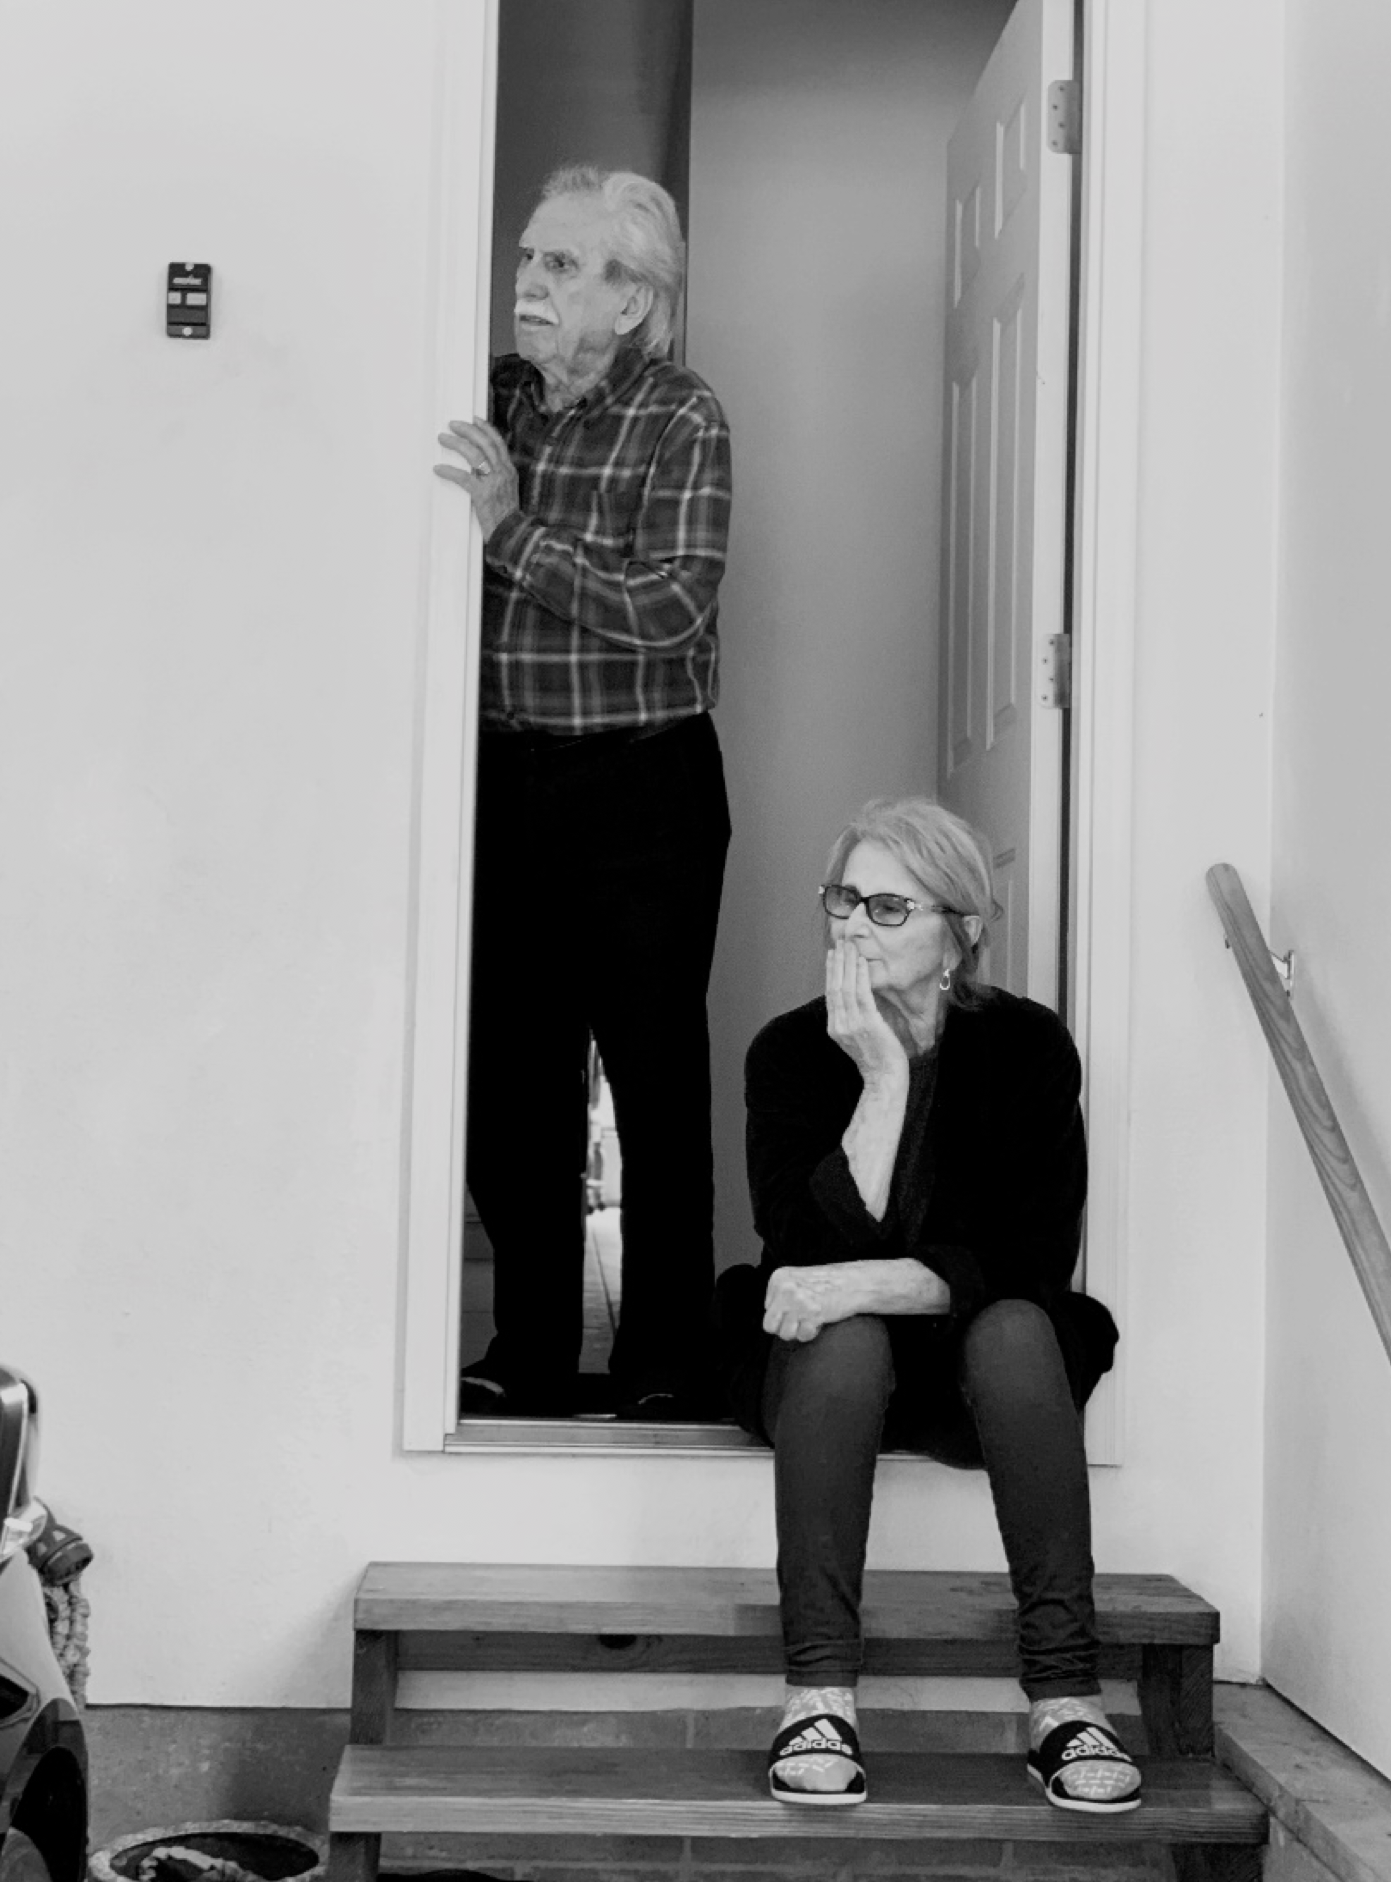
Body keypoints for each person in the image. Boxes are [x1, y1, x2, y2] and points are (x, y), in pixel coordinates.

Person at [716, 797, 1141, 1814]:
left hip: (977, 1378)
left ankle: (1063, 1700)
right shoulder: (787, 1052)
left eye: (886, 906)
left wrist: (866, 1280)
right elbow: (799, 1256)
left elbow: (1030, 1257)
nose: (851, 924)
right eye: (843, 898)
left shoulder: (1028, 1049)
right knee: (841, 1333)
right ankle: (816, 1696)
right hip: (833, 1380)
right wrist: (879, 1080)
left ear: (961, 931)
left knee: (1014, 1326)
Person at [434, 165, 732, 1422]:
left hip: (643, 783)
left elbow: (670, 606)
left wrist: (509, 532)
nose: (528, 281)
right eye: (527, 258)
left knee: (653, 1077)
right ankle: (534, 1351)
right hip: (503, 777)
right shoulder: (494, 399)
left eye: (562, 266)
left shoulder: (680, 416)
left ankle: (662, 1357)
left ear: (632, 299)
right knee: (510, 1078)